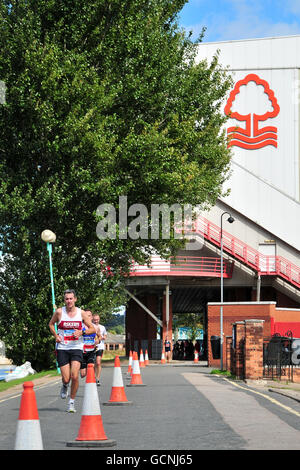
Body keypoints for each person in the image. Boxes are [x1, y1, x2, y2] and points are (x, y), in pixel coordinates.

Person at [49, 289, 95, 413]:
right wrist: (56, 336)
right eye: (66, 299)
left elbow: (92, 329)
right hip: (63, 347)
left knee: (75, 375)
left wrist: (82, 332)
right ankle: (64, 386)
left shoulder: (81, 313)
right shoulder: (59, 312)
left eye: (71, 298)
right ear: (64, 300)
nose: (69, 301)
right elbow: (51, 324)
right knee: (66, 378)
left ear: (75, 299)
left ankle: (71, 402)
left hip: (76, 347)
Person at [80, 308, 97, 380]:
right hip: (82, 351)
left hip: (91, 350)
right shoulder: (80, 326)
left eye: (89, 316)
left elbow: (99, 336)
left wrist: (97, 340)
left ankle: (91, 381)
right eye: (86, 316)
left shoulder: (95, 327)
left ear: (92, 317)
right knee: (83, 374)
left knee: (91, 366)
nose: (88, 317)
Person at [92, 313, 107, 386]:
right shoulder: (90, 326)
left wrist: (103, 337)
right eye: (94, 320)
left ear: (99, 319)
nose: (96, 321)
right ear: (92, 319)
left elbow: (105, 335)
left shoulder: (102, 327)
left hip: (100, 347)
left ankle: (97, 378)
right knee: (92, 364)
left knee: (98, 362)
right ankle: (93, 377)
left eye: (97, 319)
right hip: (91, 346)